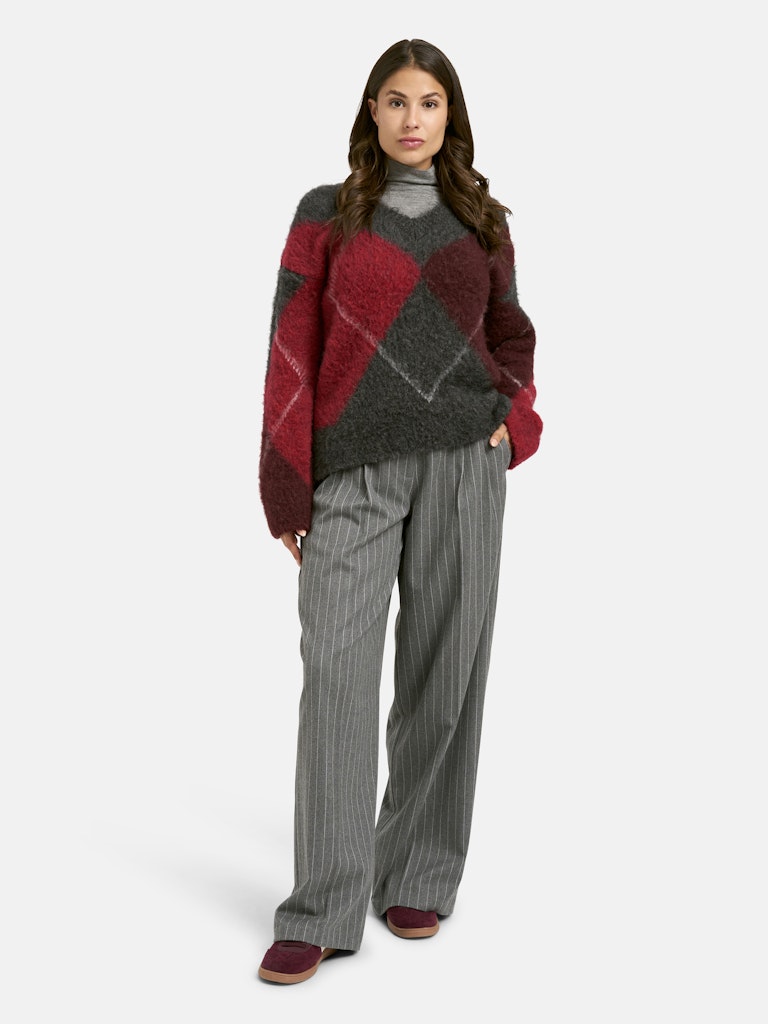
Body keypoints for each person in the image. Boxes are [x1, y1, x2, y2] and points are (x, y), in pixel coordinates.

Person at [257, 38, 542, 985]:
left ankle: (418, 869)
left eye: (429, 102)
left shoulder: (482, 221)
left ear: (449, 116)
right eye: (395, 101)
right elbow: (290, 348)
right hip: (355, 473)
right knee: (336, 673)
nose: (412, 118)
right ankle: (323, 906)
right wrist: (285, 482)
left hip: (464, 463)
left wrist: (513, 419)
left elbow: (512, 335)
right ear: (371, 113)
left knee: (444, 670)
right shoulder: (325, 215)